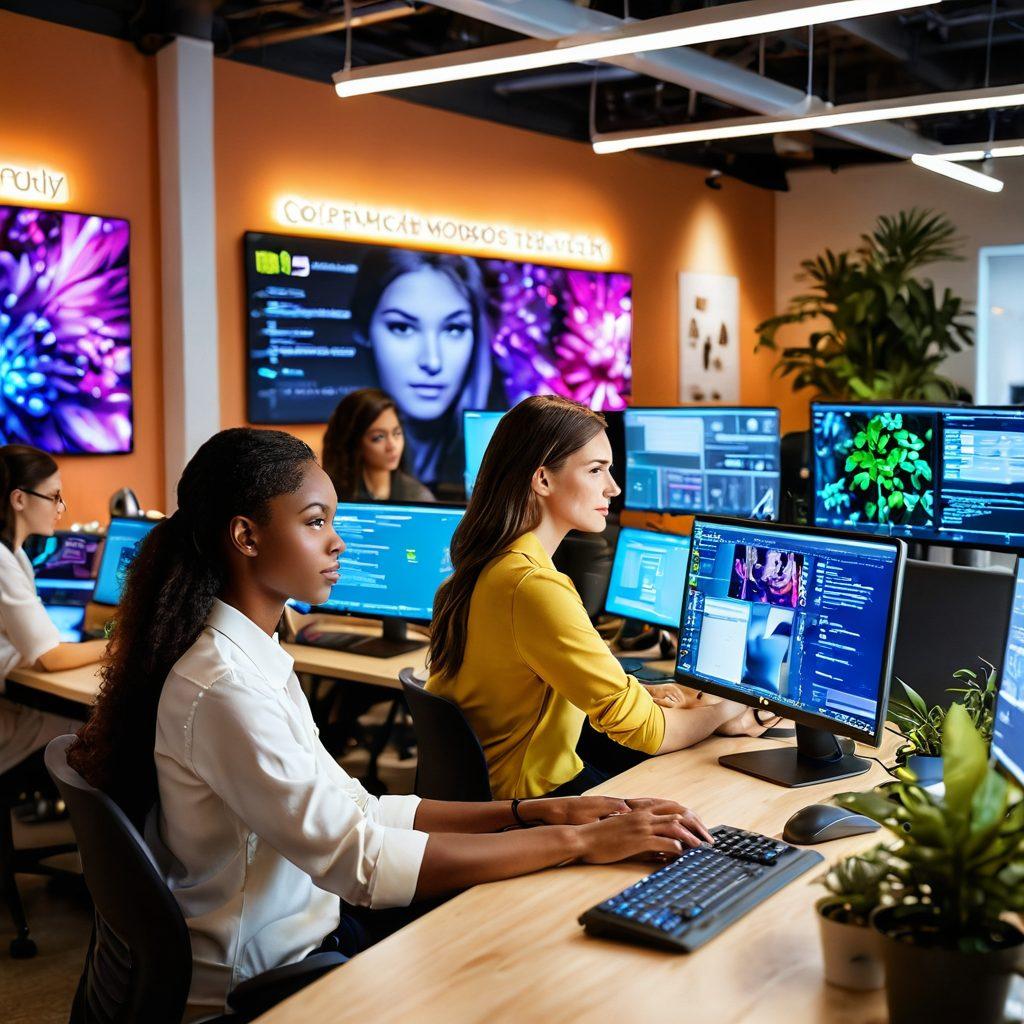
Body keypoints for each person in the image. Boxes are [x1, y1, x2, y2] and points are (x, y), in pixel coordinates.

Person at [67, 427, 714, 1020]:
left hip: (308, 932)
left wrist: (540, 815)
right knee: (534, 959)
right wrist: (578, 844)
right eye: (316, 522)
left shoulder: (249, 657)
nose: (337, 541)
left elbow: (360, 809)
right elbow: (361, 862)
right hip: (271, 977)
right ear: (247, 537)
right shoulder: (223, 688)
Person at [427, 396, 780, 800]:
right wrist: (722, 712)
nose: (613, 488)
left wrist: (650, 693)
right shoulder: (533, 587)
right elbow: (644, 731)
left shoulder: (490, 565)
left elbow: (547, 684)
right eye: (596, 471)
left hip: (497, 794)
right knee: (708, 803)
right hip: (528, 805)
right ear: (542, 479)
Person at [351, 248, 501, 488]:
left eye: (454, 328)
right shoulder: (347, 483)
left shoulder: (499, 452)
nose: (432, 361)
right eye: (402, 327)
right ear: (363, 330)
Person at [0, 445, 105, 777]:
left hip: (13, 702)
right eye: (54, 496)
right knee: (105, 733)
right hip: (10, 723)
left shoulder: (13, 556)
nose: (62, 507)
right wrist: (119, 645)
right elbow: (51, 657)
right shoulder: (3, 562)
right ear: (19, 499)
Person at [322, 388, 433, 502]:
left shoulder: (418, 497)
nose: (392, 446)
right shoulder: (330, 496)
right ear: (354, 441)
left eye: (397, 433)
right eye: (378, 437)